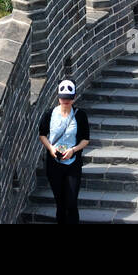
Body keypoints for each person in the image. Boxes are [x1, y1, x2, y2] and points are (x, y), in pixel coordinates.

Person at [38, 79, 90, 223]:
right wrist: (50, 148)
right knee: (60, 203)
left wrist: (73, 150)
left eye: (69, 98)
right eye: (63, 97)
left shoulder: (80, 116)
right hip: (54, 163)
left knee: (71, 202)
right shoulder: (49, 114)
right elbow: (42, 134)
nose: (65, 100)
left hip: (73, 163)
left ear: (74, 97)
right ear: (58, 97)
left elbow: (86, 139)